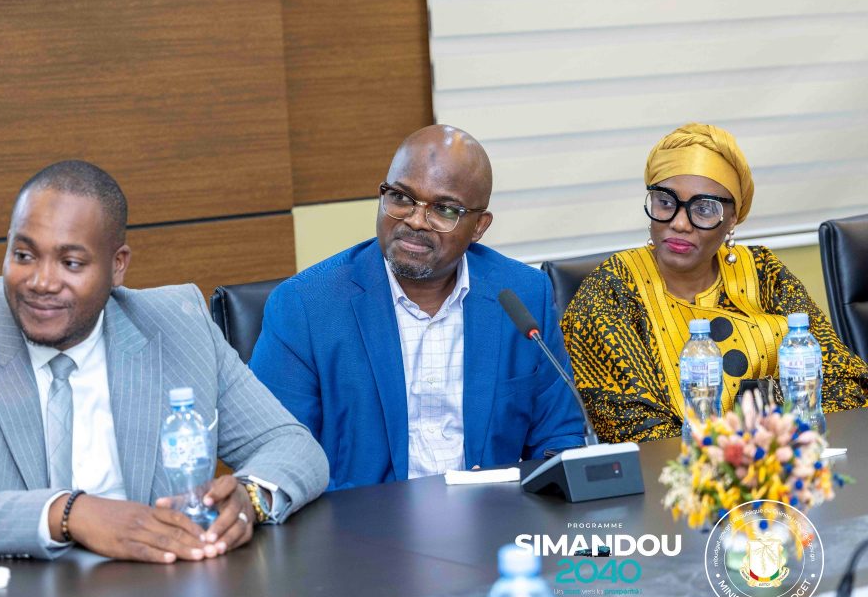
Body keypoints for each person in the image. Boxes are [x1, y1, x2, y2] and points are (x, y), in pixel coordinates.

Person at [0, 160, 328, 561]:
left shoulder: (177, 324)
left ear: (117, 266)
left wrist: (250, 497)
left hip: (159, 596)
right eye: (24, 255)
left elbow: (292, 445)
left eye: (71, 263)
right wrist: (68, 513)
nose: (41, 282)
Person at [249, 125, 585, 490]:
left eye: (443, 209)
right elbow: (277, 454)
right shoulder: (304, 307)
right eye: (401, 197)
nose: (415, 220)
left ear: (478, 226)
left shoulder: (522, 295)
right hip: (360, 521)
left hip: (494, 515)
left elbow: (559, 435)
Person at [561, 123, 868, 443]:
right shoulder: (612, 290)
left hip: (788, 460)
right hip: (678, 467)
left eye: (704, 209)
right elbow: (630, 425)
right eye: (665, 202)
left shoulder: (764, 272)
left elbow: (841, 382)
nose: (680, 223)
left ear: (732, 219)